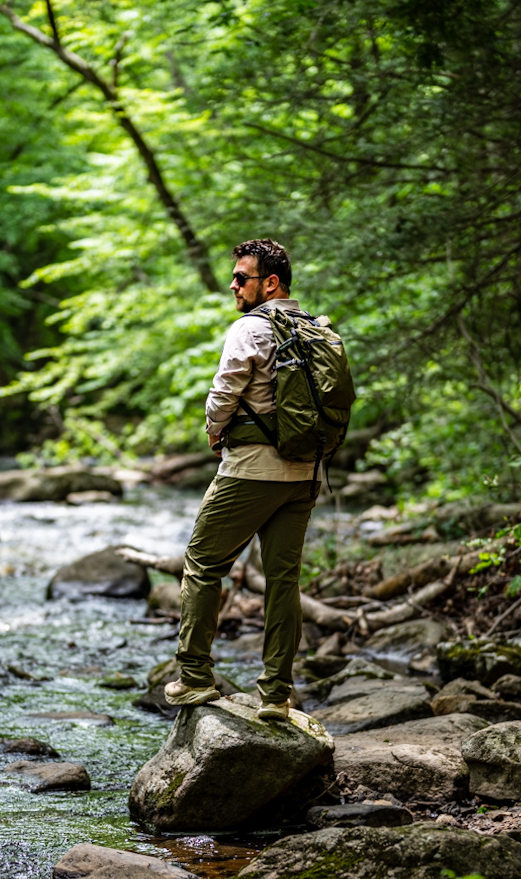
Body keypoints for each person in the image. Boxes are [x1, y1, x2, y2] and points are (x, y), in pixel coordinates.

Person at [163, 238, 321, 723]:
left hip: (252, 469)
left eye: (241, 278)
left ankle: (193, 677)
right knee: (283, 581)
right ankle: (276, 694)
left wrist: (214, 432)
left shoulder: (250, 329)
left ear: (270, 283)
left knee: (204, 563)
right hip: (305, 470)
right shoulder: (316, 329)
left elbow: (223, 393)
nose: (233, 285)